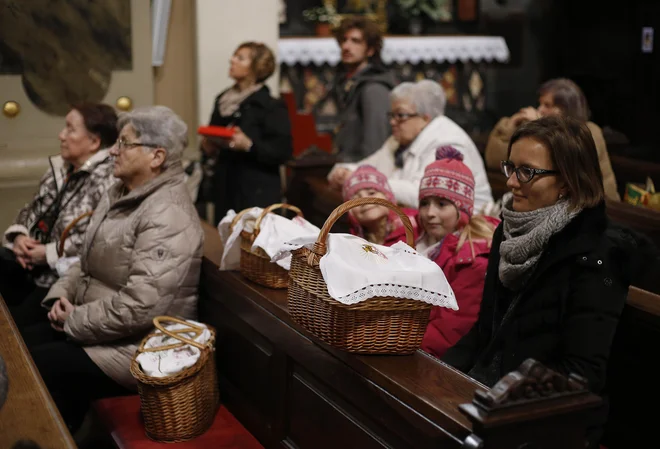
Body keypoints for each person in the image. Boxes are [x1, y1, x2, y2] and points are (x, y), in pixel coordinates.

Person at [444, 115, 648, 448]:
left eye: (528, 172)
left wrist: (496, 402)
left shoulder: (596, 255)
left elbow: (582, 372)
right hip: (489, 395)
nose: (511, 182)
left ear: (567, 181)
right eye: (511, 167)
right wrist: (439, 375)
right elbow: (486, 332)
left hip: (549, 419)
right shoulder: (509, 232)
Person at [26, 106, 204, 432]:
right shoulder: (120, 192)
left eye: (124, 143)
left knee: (34, 367)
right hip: (97, 324)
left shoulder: (167, 215)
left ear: (156, 157)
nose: (113, 151)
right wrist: (59, 297)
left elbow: (140, 308)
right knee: (20, 344)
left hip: (137, 348)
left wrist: (73, 320)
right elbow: (85, 261)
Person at [1, 103, 117, 319]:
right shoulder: (61, 168)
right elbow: (29, 210)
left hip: (63, 280)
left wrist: (49, 254)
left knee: (15, 327)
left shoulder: (108, 179)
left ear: (94, 141)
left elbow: (103, 238)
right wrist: (19, 237)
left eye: (70, 129)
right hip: (27, 267)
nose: (61, 135)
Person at [328, 80, 494, 211]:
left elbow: (423, 194)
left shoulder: (448, 143)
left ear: (425, 118)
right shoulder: (399, 139)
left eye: (401, 115)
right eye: (391, 115)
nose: (392, 122)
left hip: (469, 232)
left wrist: (361, 178)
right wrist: (343, 171)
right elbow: (369, 166)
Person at [197, 42, 293, 224]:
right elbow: (215, 133)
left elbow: (282, 151)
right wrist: (209, 146)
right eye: (234, 56)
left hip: (255, 189)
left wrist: (248, 145)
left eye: (240, 58)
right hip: (226, 186)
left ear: (255, 67)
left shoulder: (270, 105)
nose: (231, 60)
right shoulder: (223, 99)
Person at [416, 147, 499, 358]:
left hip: (428, 355)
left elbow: (449, 330)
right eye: (424, 203)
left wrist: (396, 342)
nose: (430, 213)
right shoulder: (421, 241)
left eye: (442, 204)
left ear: (462, 210)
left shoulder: (472, 258)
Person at [484, 78, 619, 200]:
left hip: (598, 205)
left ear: (567, 109)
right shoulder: (540, 129)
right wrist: (510, 126)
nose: (540, 109)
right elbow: (494, 160)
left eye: (547, 105)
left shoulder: (589, 131)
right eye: (540, 104)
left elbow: (568, 160)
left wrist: (541, 127)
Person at [330, 16, 395, 162]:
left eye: (355, 41)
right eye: (344, 40)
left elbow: (376, 144)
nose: (346, 46)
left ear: (370, 50)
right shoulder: (349, 81)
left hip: (364, 172)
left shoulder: (374, 88)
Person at [342, 165, 418, 246]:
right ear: (350, 212)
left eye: (372, 193)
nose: (365, 201)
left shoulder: (416, 223)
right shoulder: (351, 242)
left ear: (388, 198)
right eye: (356, 199)